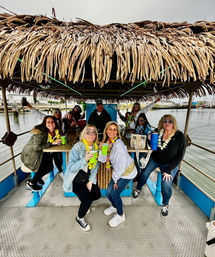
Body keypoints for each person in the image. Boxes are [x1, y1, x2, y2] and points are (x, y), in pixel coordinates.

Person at [132, 114, 186, 218]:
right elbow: (153, 146)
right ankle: (138, 189)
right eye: (164, 121)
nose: (167, 123)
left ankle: (165, 205)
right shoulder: (158, 131)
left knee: (166, 184)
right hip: (155, 159)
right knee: (144, 173)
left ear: (174, 123)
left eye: (170, 121)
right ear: (162, 122)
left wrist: (169, 169)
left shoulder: (180, 136)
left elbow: (180, 155)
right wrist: (148, 138)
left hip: (170, 164)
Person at [99, 121, 137, 228]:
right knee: (108, 192)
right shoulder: (107, 142)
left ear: (117, 132)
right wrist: (102, 150)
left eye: (114, 129)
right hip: (119, 172)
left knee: (114, 193)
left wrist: (115, 180)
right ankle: (115, 206)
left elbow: (120, 167)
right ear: (106, 130)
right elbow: (102, 160)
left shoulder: (118, 145)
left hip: (127, 172)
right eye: (109, 129)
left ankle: (121, 215)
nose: (112, 131)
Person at [63, 125, 101, 232]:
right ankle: (79, 218)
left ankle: (84, 203)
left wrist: (90, 181)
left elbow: (96, 165)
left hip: (87, 178)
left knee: (97, 195)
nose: (90, 134)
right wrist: (84, 159)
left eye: (93, 132)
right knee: (87, 200)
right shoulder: (78, 147)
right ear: (84, 133)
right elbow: (70, 167)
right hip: (76, 179)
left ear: (95, 136)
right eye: (88, 131)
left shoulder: (95, 147)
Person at [21, 116, 62, 191]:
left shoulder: (53, 131)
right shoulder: (41, 132)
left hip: (40, 152)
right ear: (45, 123)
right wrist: (52, 143)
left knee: (50, 164)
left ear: (55, 123)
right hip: (31, 155)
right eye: (48, 122)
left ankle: (37, 178)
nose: (51, 124)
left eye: (52, 122)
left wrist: (54, 142)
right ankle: (32, 183)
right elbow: (36, 147)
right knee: (47, 167)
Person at [133, 113, 152, 181]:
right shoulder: (138, 127)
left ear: (144, 120)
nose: (140, 122)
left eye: (141, 120)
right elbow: (136, 134)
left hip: (144, 148)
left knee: (136, 159)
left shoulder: (147, 128)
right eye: (138, 120)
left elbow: (149, 136)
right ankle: (139, 172)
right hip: (138, 147)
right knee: (136, 159)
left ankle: (139, 175)